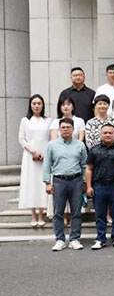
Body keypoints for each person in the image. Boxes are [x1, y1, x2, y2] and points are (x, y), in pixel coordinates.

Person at [43, 118, 87, 251]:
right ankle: (60, 239)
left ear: (73, 129)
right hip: (59, 181)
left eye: (68, 127)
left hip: (76, 180)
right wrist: (47, 182)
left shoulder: (80, 145)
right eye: (63, 127)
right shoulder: (51, 145)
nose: (65, 129)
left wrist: (85, 182)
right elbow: (47, 164)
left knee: (76, 212)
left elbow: (84, 165)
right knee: (58, 212)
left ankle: (74, 239)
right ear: (59, 129)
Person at [86, 124, 114, 250]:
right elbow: (89, 168)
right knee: (100, 213)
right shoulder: (94, 150)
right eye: (105, 133)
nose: (108, 135)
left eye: (110, 133)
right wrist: (89, 186)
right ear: (101, 134)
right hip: (99, 185)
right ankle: (100, 238)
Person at [18, 95, 52, 227]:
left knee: (42, 183)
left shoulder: (48, 120)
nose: (36, 106)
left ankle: (41, 214)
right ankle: (33, 215)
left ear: (42, 105)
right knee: (31, 183)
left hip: (44, 156)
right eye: (34, 103)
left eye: (39, 103)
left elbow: (50, 139)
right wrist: (32, 151)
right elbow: (21, 138)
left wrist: (44, 152)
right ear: (30, 105)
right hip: (29, 156)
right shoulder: (25, 120)